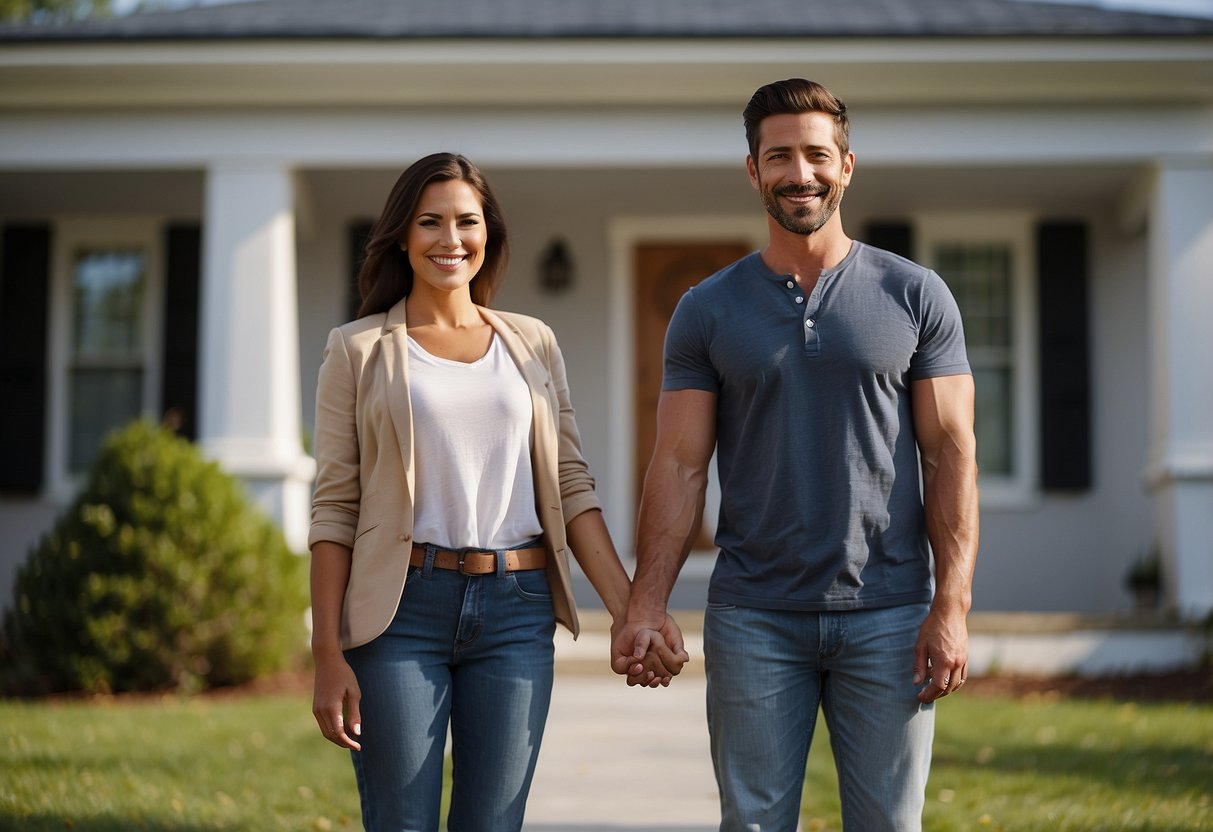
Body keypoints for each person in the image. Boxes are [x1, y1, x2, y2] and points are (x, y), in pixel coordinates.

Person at [612, 79, 980, 831]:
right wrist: (646, 601)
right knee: (750, 823)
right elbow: (678, 464)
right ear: (753, 171)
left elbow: (949, 455)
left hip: (888, 612)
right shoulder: (706, 308)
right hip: (754, 616)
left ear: (847, 165)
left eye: (816, 154)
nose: (798, 173)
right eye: (778, 156)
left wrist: (951, 605)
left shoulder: (915, 295)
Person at [309, 152, 688, 832]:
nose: (449, 240)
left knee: (494, 823)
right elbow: (334, 509)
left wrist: (632, 614)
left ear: (489, 234)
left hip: (516, 610)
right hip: (399, 613)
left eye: (466, 222)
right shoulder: (358, 349)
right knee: (402, 822)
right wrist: (327, 655)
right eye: (430, 222)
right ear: (402, 235)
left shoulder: (532, 344)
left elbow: (572, 489)